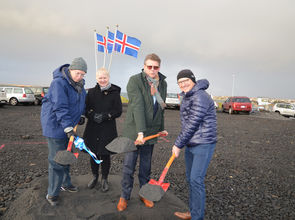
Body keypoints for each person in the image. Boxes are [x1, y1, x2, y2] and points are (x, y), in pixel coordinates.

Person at [117, 53, 168, 211]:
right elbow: (138, 107)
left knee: (146, 167)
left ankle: (144, 194)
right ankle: (125, 196)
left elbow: (160, 108)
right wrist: (140, 132)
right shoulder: (135, 81)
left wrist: (161, 129)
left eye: (156, 67)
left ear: (159, 67)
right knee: (129, 166)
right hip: (135, 133)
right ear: (144, 66)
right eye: (149, 67)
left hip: (151, 134)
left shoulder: (162, 83)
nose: (152, 70)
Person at [41, 57, 87, 206]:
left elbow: (80, 103)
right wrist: (68, 128)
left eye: (83, 74)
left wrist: (80, 115)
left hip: (69, 127)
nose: (80, 77)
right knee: (57, 160)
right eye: (78, 73)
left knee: (67, 156)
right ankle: (52, 194)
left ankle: (66, 183)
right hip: (56, 127)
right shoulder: (59, 83)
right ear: (70, 70)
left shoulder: (80, 85)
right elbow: (60, 107)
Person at [172, 70, 217, 220]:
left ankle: (197, 217)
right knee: (190, 179)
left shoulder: (200, 96)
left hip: (203, 143)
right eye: (180, 82)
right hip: (192, 143)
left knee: (196, 180)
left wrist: (178, 144)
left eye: (186, 80)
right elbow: (187, 125)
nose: (183, 84)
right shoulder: (188, 95)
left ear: (193, 80)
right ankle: (192, 212)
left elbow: (192, 123)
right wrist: (183, 142)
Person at [83, 67, 122, 192]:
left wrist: (106, 116)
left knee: (105, 154)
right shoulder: (91, 92)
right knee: (93, 153)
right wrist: (92, 115)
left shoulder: (115, 92)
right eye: (100, 78)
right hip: (93, 127)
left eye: (104, 77)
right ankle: (95, 177)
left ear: (108, 78)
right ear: (96, 78)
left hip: (107, 127)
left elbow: (118, 111)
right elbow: (86, 108)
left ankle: (104, 179)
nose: (102, 80)